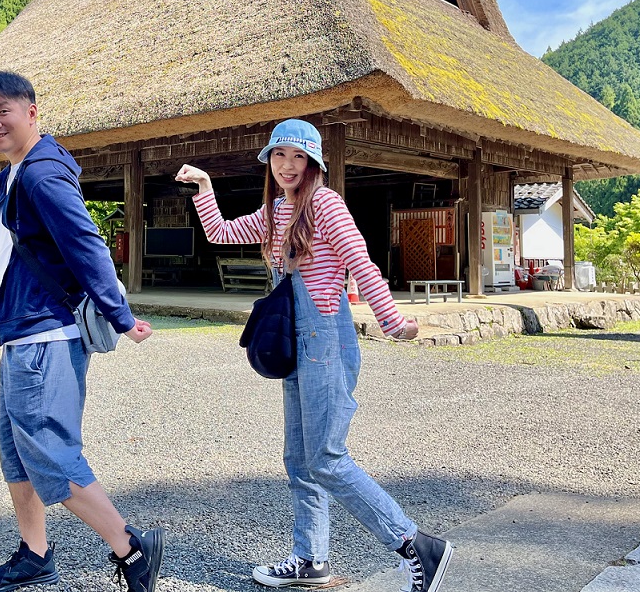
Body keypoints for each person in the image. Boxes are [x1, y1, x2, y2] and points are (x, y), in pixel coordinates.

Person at [175, 119, 452, 592]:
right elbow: (220, 233)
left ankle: (416, 544)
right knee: (300, 458)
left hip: (325, 337)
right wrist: (204, 186)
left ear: (313, 163)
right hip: (296, 339)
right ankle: (310, 559)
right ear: (269, 161)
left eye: (298, 157)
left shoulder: (325, 203)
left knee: (326, 457)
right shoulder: (276, 209)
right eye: (279, 155)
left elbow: (360, 260)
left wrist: (390, 321)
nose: (287, 165)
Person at [0, 70, 164, 592]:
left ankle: (131, 548)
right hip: (21, 334)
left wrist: (121, 317)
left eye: (3, 112)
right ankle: (35, 555)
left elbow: (86, 244)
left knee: (52, 455)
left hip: (45, 336)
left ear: (31, 112)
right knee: (18, 453)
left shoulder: (41, 175)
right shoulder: (17, 170)